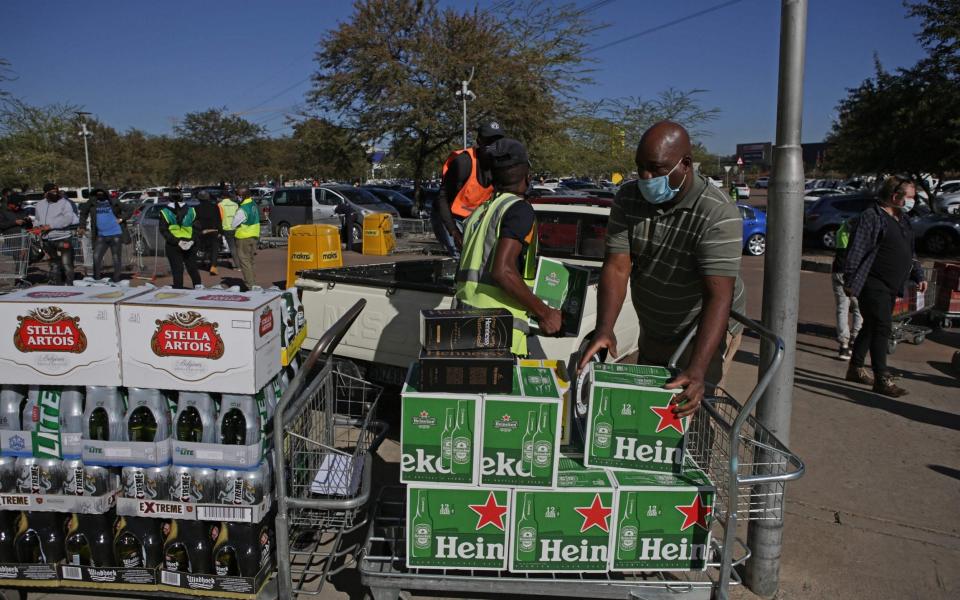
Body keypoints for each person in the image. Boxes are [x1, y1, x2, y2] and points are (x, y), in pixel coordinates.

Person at [579, 121, 746, 418]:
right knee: (651, 408)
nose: (645, 176)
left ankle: (697, 461)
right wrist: (605, 329)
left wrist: (697, 369)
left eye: (656, 168)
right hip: (655, 323)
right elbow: (617, 267)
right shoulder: (629, 198)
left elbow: (718, 296)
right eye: (640, 167)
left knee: (691, 409)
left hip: (702, 327)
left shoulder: (717, 214)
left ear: (685, 164)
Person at [454, 137, 561, 357]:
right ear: (526, 172)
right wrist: (545, 313)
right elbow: (503, 271)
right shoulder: (519, 209)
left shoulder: (481, 211)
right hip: (497, 336)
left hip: (463, 327)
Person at [842, 176, 927, 397]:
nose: (913, 201)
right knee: (882, 326)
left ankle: (855, 368)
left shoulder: (903, 219)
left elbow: (910, 252)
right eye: (909, 197)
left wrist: (919, 274)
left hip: (892, 285)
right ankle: (882, 378)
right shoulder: (872, 217)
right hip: (872, 283)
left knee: (871, 325)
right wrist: (849, 280)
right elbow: (857, 250)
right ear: (894, 196)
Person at [432, 121, 506, 258]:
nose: (493, 146)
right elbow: (442, 198)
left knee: (478, 256)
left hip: (471, 217)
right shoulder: (464, 162)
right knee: (460, 255)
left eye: (497, 141)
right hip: (448, 214)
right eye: (489, 141)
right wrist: (454, 232)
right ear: (479, 141)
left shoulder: (500, 165)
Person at [34, 183, 79, 285]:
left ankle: (70, 285)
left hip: (63, 238)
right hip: (47, 240)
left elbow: (68, 219)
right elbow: (37, 219)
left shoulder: (64, 203)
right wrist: (36, 226)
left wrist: (51, 226)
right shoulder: (39, 205)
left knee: (67, 264)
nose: (55, 193)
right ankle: (57, 286)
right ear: (46, 193)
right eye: (52, 192)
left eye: (56, 191)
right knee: (54, 265)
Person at [78, 188, 126, 282]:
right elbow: (83, 213)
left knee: (116, 257)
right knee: (96, 256)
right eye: (98, 194)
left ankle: (116, 278)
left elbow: (130, 209)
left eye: (102, 194)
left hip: (115, 233)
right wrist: (82, 226)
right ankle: (97, 278)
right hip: (101, 235)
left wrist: (121, 219)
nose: (100, 196)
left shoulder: (113, 201)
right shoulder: (92, 203)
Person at [832, 218, 862, 360]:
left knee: (842, 307)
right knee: (858, 307)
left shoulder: (842, 229)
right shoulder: (862, 236)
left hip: (839, 270)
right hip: (855, 273)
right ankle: (855, 339)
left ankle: (843, 345)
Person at [159, 191, 201, 289]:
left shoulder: (164, 212)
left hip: (173, 244)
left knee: (177, 269)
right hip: (190, 242)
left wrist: (178, 241)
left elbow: (164, 230)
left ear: (169, 198)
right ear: (182, 197)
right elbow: (197, 228)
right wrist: (192, 240)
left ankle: (178, 288)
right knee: (192, 267)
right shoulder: (192, 210)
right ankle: (198, 286)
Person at [230, 186, 260, 290]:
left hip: (243, 237)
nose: (237, 197)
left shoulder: (242, 209)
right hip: (254, 235)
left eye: (238, 195)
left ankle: (250, 285)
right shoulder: (253, 204)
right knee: (250, 261)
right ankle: (253, 283)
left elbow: (233, 224)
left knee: (244, 261)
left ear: (242, 196)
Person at [195, 191, 222, 275]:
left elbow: (195, 220)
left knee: (203, 248)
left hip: (202, 231)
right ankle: (213, 266)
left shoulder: (196, 208)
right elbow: (218, 219)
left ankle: (203, 262)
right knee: (214, 249)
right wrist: (220, 231)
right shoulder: (215, 207)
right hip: (213, 230)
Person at [218, 189, 239, 268]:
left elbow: (220, 217)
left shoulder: (220, 205)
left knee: (232, 247)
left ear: (222, 197)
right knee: (238, 247)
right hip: (236, 228)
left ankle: (238, 265)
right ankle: (243, 264)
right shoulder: (235, 204)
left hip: (226, 228)